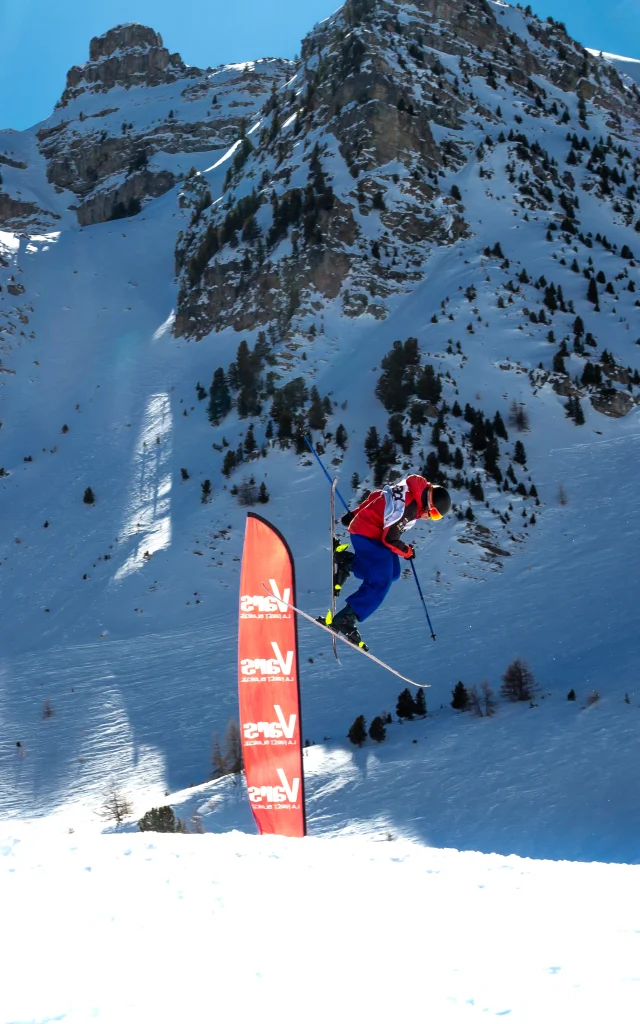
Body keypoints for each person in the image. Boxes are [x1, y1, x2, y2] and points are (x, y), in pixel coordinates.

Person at [323, 475, 451, 650]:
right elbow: (389, 539)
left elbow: (380, 495)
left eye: (436, 517)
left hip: (369, 530)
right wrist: (407, 551)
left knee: (393, 573)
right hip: (368, 534)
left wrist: (354, 514)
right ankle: (347, 618)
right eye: (434, 513)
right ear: (429, 502)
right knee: (381, 580)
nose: (430, 518)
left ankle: (349, 562)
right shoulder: (410, 508)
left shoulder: (410, 489)